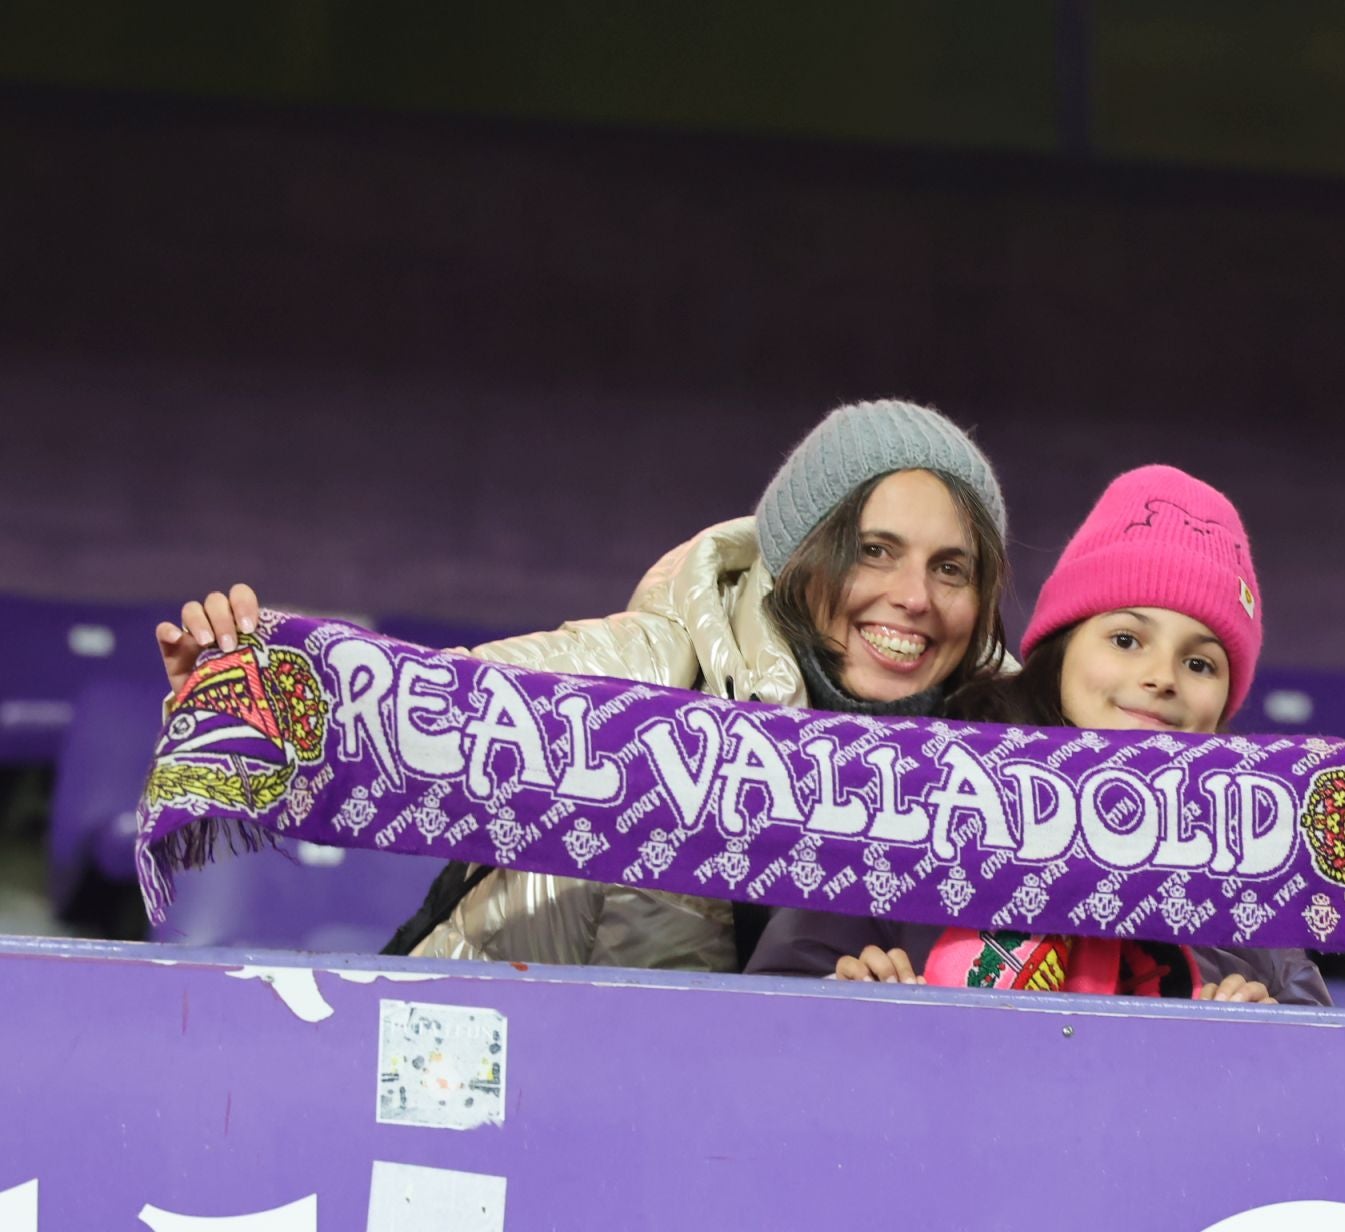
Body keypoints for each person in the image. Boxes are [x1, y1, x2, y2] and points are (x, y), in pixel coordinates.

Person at [155, 399, 1014, 970]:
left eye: (952, 569)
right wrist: (248, 685)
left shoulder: (1018, 777)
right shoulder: (649, 667)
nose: (914, 598)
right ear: (798, 558)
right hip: (503, 1113)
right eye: (875, 550)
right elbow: (432, 705)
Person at [746, 465, 1342, 1004]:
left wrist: (1262, 1043)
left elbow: (1324, 1066)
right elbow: (769, 1003)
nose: (1161, 678)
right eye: (1126, 640)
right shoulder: (923, 789)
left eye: (1200, 663)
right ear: (1061, 652)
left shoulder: (1247, 851)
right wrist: (845, 1001)